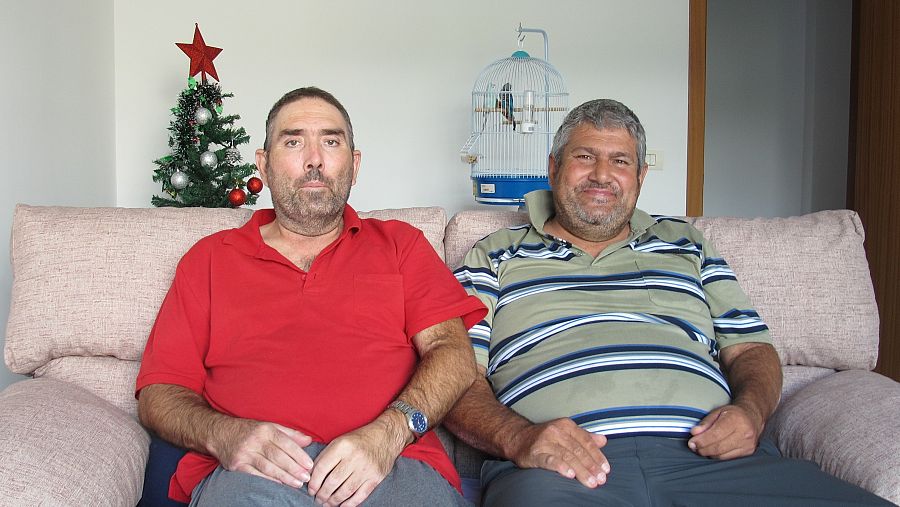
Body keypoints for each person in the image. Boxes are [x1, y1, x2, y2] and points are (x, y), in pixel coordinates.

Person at [446, 99, 892, 506]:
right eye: (584, 157)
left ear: (640, 176)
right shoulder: (495, 254)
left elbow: (751, 350)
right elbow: (454, 373)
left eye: (620, 161)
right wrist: (519, 437)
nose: (601, 174)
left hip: (713, 460)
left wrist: (751, 413)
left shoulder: (686, 244)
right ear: (553, 167)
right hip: (562, 469)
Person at [136, 86, 486, 507]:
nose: (314, 159)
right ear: (263, 165)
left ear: (354, 165)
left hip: (392, 465)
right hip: (255, 477)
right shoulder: (208, 259)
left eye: (331, 142)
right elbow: (160, 392)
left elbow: (454, 353)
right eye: (293, 142)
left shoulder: (400, 245)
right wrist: (224, 433)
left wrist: (389, 433)